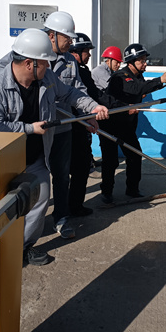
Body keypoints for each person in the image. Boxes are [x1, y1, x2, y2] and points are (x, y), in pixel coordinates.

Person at [0, 29, 108, 265]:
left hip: (37, 157)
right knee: (4, 206)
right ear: (30, 63)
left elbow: (70, 94)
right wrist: (28, 128)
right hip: (6, 160)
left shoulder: (46, 79)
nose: (49, 67)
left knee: (39, 199)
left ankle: (24, 248)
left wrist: (92, 107)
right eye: (45, 62)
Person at [0, 11, 98, 240]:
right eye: (67, 38)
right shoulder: (28, 51)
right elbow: (0, 74)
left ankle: (60, 218)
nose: (70, 43)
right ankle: (17, 231)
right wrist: (36, 93)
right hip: (33, 129)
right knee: (27, 182)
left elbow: (74, 90)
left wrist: (89, 112)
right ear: (52, 35)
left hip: (62, 128)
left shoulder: (69, 60)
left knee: (60, 176)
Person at [98, 43, 166, 203]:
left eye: (145, 60)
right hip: (110, 125)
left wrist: (159, 83)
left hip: (126, 126)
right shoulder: (121, 76)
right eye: (141, 61)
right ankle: (106, 192)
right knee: (110, 161)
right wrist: (160, 79)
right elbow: (136, 88)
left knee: (135, 155)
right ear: (131, 62)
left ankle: (132, 189)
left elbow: (142, 88)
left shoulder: (138, 76)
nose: (145, 64)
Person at [67, 33, 100, 216]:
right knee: (76, 168)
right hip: (71, 125)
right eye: (86, 51)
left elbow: (90, 95)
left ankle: (73, 206)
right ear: (76, 52)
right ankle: (70, 207)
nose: (89, 55)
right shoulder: (75, 70)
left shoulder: (81, 70)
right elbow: (89, 95)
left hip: (81, 122)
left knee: (79, 167)